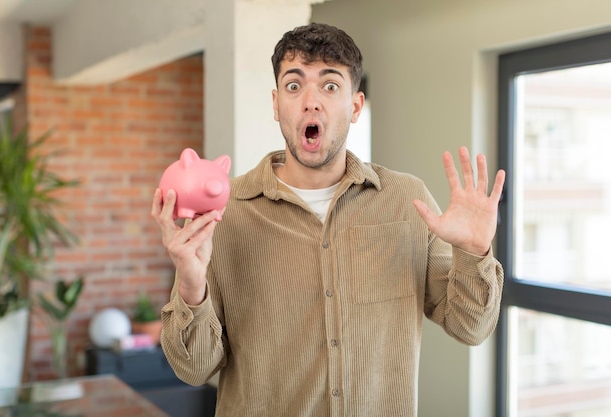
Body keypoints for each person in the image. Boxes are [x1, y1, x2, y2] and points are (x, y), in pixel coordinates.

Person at [151, 22, 505, 417]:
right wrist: (191, 283)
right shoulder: (223, 215)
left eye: (330, 85)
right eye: (293, 85)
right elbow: (194, 369)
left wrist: (474, 252)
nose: (310, 101)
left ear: (355, 106)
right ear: (275, 104)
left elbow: (470, 326)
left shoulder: (407, 200)